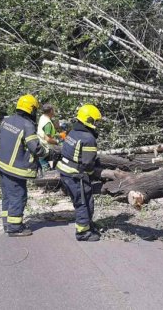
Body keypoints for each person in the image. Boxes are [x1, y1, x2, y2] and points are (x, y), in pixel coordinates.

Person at [0, 94, 47, 237]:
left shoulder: (7, 120)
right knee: (18, 195)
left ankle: (7, 222)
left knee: (7, 196)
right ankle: (15, 227)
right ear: (31, 110)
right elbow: (34, 147)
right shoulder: (27, 125)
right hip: (15, 169)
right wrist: (48, 152)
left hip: (1, 165)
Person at [56, 104, 102, 242]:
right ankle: (83, 233)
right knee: (83, 202)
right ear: (89, 120)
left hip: (65, 171)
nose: (97, 124)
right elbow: (88, 164)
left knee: (84, 200)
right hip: (75, 175)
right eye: (95, 121)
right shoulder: (88, 138)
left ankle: (87, 224)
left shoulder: (73, 132)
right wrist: (93, 173)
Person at [37, 103, 61, 170]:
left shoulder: (42, 117)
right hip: (47, 149)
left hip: (41, 145)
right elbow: (48, 139)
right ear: (50, 111)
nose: (54, 112)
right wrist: (57, 142)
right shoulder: (47, 123)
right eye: (53, 110)